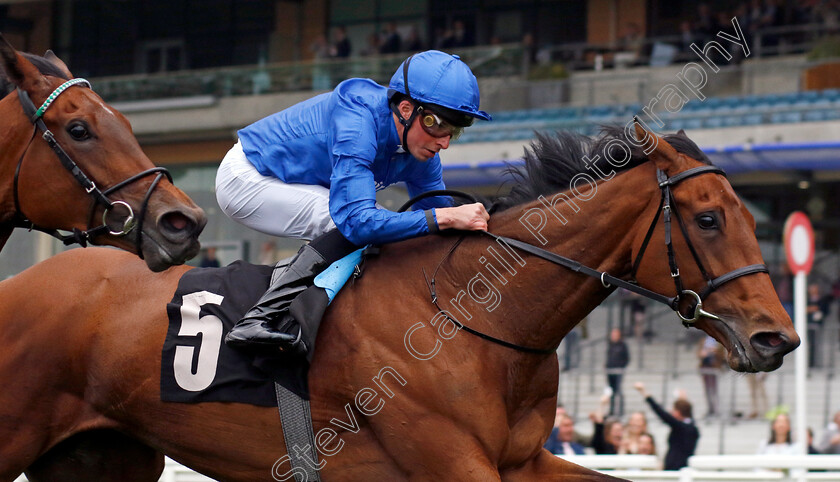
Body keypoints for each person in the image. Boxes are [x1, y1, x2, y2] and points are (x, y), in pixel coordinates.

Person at [215, 50, 491, 355]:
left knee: (387, 230)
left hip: (295, 183)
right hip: (246, 177)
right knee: (346, 223)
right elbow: (357, 222)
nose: (445, 141)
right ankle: (258, 319)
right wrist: (445, 217)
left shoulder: (421, 148)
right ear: (405, 108)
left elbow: (441, 225)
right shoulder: (358, 120)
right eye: (437, 124)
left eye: (455, 130)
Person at [634, 382, 699, 471]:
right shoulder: (693, 427)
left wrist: (644, 393)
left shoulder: (681, 427)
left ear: (678, 412)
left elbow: (661, 412)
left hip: (675, 469)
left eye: (673, 410)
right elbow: (687, 415)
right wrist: (683, 401)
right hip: (683, 468)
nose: (671, 413)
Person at [697, 335, 724, 419]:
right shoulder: (703, 340)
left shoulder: (719, 341)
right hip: (705, 367)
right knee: (707, 390)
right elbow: (698, 353)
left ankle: (716, 409)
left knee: (714, 390)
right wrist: (702, 354)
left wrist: (714, 351)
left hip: (714, 367)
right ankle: (710, 409)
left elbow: (722, 354)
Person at [606, 327, 630, 416]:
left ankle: (620, 411)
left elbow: (627, 358)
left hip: (618, 371)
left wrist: (621, 367)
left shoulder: (622, 345)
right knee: (611, 391)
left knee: (618, 390)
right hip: (610, 370)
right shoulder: (611, 345)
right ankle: (611, 410)